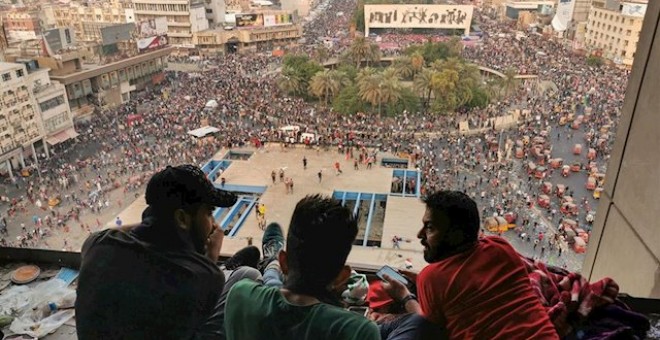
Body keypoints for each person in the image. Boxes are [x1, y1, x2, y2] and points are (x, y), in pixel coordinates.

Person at [75, 164, 238, 339]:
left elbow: (112, 233)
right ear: (182, 218)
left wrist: (153, 224)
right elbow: (204, 283)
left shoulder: (97, 244)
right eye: (209, 213)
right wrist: (212, 256)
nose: (213, 223)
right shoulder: (201, 276)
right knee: (246, 275)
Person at [382, 190, 559, 339]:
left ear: (455, 234)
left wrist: (405, 296)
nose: (420, 234)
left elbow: (426, 330)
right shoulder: (500, 247)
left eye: (430, 227)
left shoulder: (432, 277)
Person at [224, 195, 380, 340]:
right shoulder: (358, 332)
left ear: (284, 262)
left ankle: (270, 261)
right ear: (342, 276)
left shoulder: (240, 295)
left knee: (263, 278)